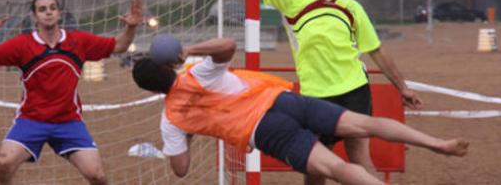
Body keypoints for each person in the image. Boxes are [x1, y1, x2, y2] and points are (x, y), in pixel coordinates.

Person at [198, 0, 423, 182]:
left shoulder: (351, 6)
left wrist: (403, 87)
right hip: (316, 95)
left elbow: (376, 50)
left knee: (359, 158)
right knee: (316, 165)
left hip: (355, 88)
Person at [131, 37, 468, 184]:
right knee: (366, 123)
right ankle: (437, 143)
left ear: (151, 89)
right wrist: (187, 48)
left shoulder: (172, 119)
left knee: (335, 168)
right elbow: (228, 47)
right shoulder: (193, 72)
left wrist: (188, 135)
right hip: (284, 100)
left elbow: (180, 169)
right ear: (168, 68)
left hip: (264, 130)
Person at [0, 0, 143, 185]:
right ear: (34, 16)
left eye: (52, 8)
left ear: (59, 13)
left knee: (97, 175)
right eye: (42, 9)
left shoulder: (78, 41)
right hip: (32, 119)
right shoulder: (22, 44)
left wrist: (131, 27)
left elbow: (119, 45)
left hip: (68, 121)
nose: (48, 13)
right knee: (4, 161)